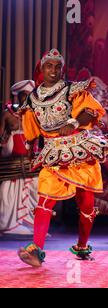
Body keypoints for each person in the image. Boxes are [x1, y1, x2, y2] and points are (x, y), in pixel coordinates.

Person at [17, 49, 108, 267]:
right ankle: (36, 250)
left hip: (80, 150)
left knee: (87, 205)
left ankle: (82, 245)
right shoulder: (32, 99)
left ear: (61, 69)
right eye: (48, 66)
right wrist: (30, 148)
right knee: (44, 199)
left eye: (57, 66)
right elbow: (31, 132)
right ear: (42, 69)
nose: (53, 70)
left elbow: (91, 111)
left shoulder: (73, 89)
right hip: (53, 153)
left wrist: (74, 122)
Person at [0, 80, 38, 235]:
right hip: (11, 160)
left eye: (29, 95)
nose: (26, 98)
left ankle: (28, 222)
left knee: (34, 189)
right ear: (18, 96)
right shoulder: (7, 114)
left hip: (29, 160)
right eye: (24, 95)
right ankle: (9, 224)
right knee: (7, 192)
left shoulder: (36, 114)